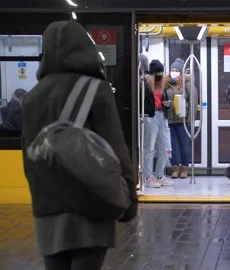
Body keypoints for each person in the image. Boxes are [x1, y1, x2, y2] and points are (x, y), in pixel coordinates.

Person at [21, 21, 137, 270]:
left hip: (47, 210)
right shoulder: (96, 89)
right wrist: (129, 199)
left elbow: (29, 158)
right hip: (90, 206)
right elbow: (116, 148)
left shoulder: (32, 97)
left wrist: (42, 199)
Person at [142, 60, 173, 187]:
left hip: (161, 115)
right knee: (149, 148)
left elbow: (163, 100)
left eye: (161, 72)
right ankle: (148, 177)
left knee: (166, 148)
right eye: (158, 73)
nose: (160, 75)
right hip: (151, 116)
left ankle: (160, 175)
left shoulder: (161, 85)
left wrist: (167, 104)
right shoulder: (145, 84)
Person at [166, 58, 198, 179]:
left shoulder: (187, 83)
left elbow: (193, 102)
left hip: (183, 120)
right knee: (173, 146)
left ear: (181, 72)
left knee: (184, 145)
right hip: (170, 119)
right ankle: (175, 168)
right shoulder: (167, 84)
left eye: (176, 70)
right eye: (172, 70)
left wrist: (190, 119)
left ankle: (184, 168)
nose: (174, 72)